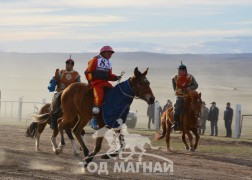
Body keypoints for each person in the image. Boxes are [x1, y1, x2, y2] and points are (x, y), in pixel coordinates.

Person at [85, 46, 122, 130]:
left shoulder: (109, 63)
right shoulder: (95, 60)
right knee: (99, 98)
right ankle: (94, 119)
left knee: (114, 95)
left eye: (111, 53)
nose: (110, 54)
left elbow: (109, 75)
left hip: (106, 83)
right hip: (96, 83)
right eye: (109, 52)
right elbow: (88, 72)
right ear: (103, 52)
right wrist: (89, 81)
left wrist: (116, 77)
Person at [47, 56, 81, 129]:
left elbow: (78, 84)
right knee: (57, 101)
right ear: (66, 64)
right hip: (60, 91)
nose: (68, 65)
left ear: (72, 65)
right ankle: (53, 119)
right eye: (67, 64)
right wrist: (53, 81)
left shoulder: (76, 74)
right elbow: (54, 80)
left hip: (71, 94)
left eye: (70, 64)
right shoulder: (61, 72)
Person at [171, 62, 198, 129]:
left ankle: (196, 122)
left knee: (195, 106)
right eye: (178, 70)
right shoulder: (175, 77)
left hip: (188, 96)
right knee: (177, 108)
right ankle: (176, 123)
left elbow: (196, 85)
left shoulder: (190, 77)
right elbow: (173, 82)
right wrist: (176, 90)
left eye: (180, 70)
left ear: (184, 70)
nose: (178, 71)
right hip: (180, 96)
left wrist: (189, 88)